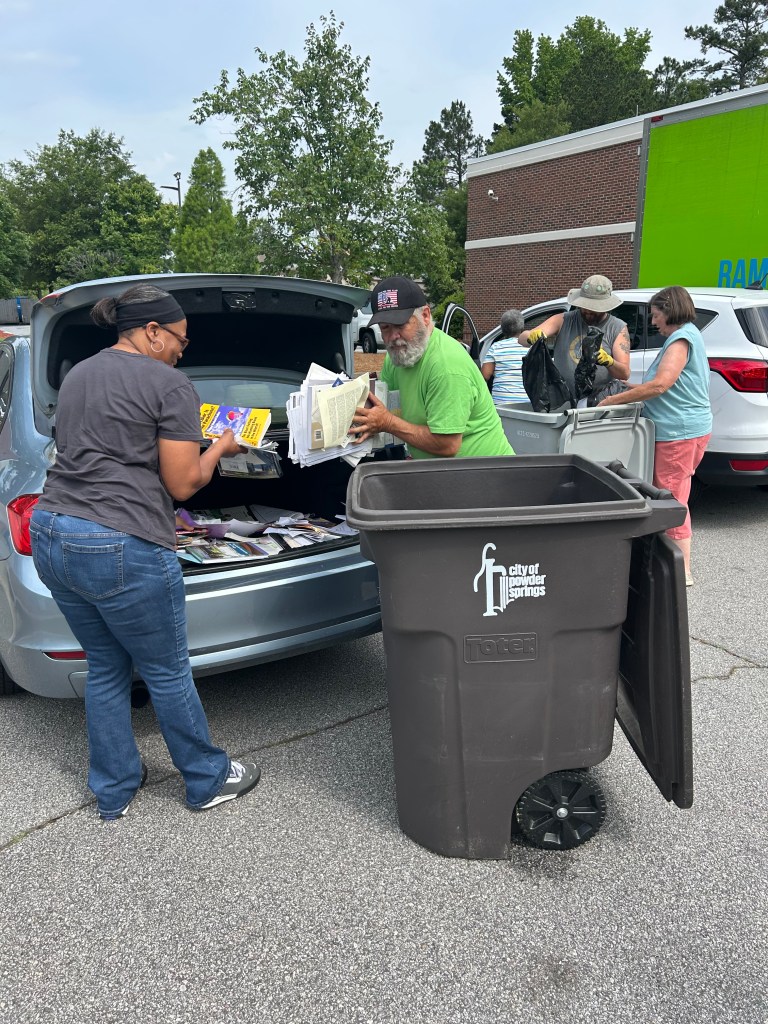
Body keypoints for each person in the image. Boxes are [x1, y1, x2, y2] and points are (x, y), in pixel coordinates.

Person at [29, 284, 261, 820]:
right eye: (179, 338)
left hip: (51, 532)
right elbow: (182, 484)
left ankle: (114, 788)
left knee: (107, 666)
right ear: (152, 332)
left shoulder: (79, 374)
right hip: (118, 540)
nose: (184, 349)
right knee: (167, 670)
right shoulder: (169, 383)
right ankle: (206, 778)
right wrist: (221, 447)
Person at [599, 286, 712, 586]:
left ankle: (679, 572)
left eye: (656, 314)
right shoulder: (688, 334)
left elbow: (661, 384)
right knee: (675, 492)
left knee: (673, 498)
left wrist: (614, 401)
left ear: (669, 309)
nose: (654, 321)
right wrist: (630, 390)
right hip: (688, 428)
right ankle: (674, 566)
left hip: (678, 432)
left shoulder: (680, 339)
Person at [350, 276, 514, 458]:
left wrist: (387, 422)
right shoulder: (396, 357)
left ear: (426, 316)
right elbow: (385, 405)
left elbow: (447, 445)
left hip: (484, 474)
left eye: (400, 324)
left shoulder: (446, 365)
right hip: (440, 471)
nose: (393, 336)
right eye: (385, 327)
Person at [518, 274, 631, 405]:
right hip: (562, 400)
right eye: (584, 306)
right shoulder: (564, 320)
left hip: (597, 403)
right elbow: (522, 339)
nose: (588, 311)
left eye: (594, 308)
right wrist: (531, 337)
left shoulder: (617, 328)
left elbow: (624, 373)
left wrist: (609, 362)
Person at [481, 309, 527, 406]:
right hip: (527, 402)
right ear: (522, 327)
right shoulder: (531, 347)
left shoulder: (496, 347)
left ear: (503, 328)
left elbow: (485, 375)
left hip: (501, 403)